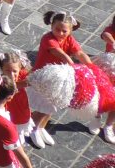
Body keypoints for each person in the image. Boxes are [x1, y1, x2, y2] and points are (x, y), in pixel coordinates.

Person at [26, 10, 91, 149]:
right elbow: (61, 54)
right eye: (57, 29)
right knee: (43, 107)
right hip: (43, 78)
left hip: (57, 79)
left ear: (71, 30)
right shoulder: (47, 39)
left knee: (51, 107)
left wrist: (91, 67)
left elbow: (79, 53)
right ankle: (32, 128)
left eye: (64, 31)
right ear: (51, 27)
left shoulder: (69, 39)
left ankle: (40, 127)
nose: (61, 33)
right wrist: (74, 67)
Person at [0, 51, 33, 147]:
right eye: (8, 70)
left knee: (20, 124)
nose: (12, 75)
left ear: (20, 68)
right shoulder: (0, 81)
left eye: (15, 71)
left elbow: (31, 80)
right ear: (2, 69)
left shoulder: (23, 75)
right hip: (8, 110)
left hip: (21, 107)